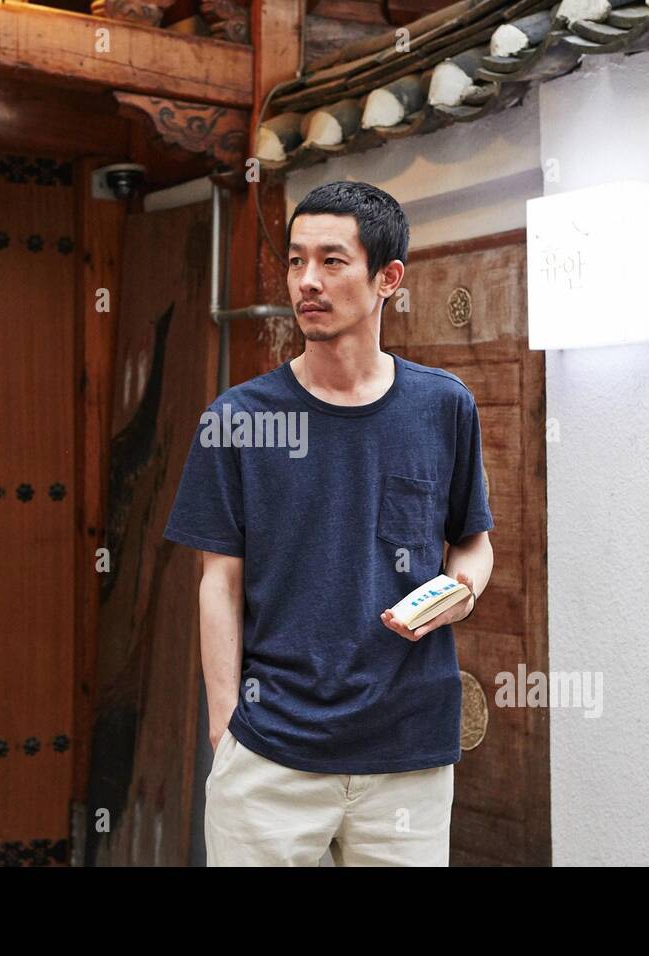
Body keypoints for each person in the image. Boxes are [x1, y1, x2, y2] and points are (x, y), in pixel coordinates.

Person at [163, 180, 494, 866]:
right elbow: (216, 583)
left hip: (408, 752)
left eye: (333, 261)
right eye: (295, 261)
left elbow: (473, 542)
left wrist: (462, 589)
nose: (307, 281)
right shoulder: (239, 421)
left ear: (387, 278)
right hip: (272, 753)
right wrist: (226, 732)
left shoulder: (443, 407)